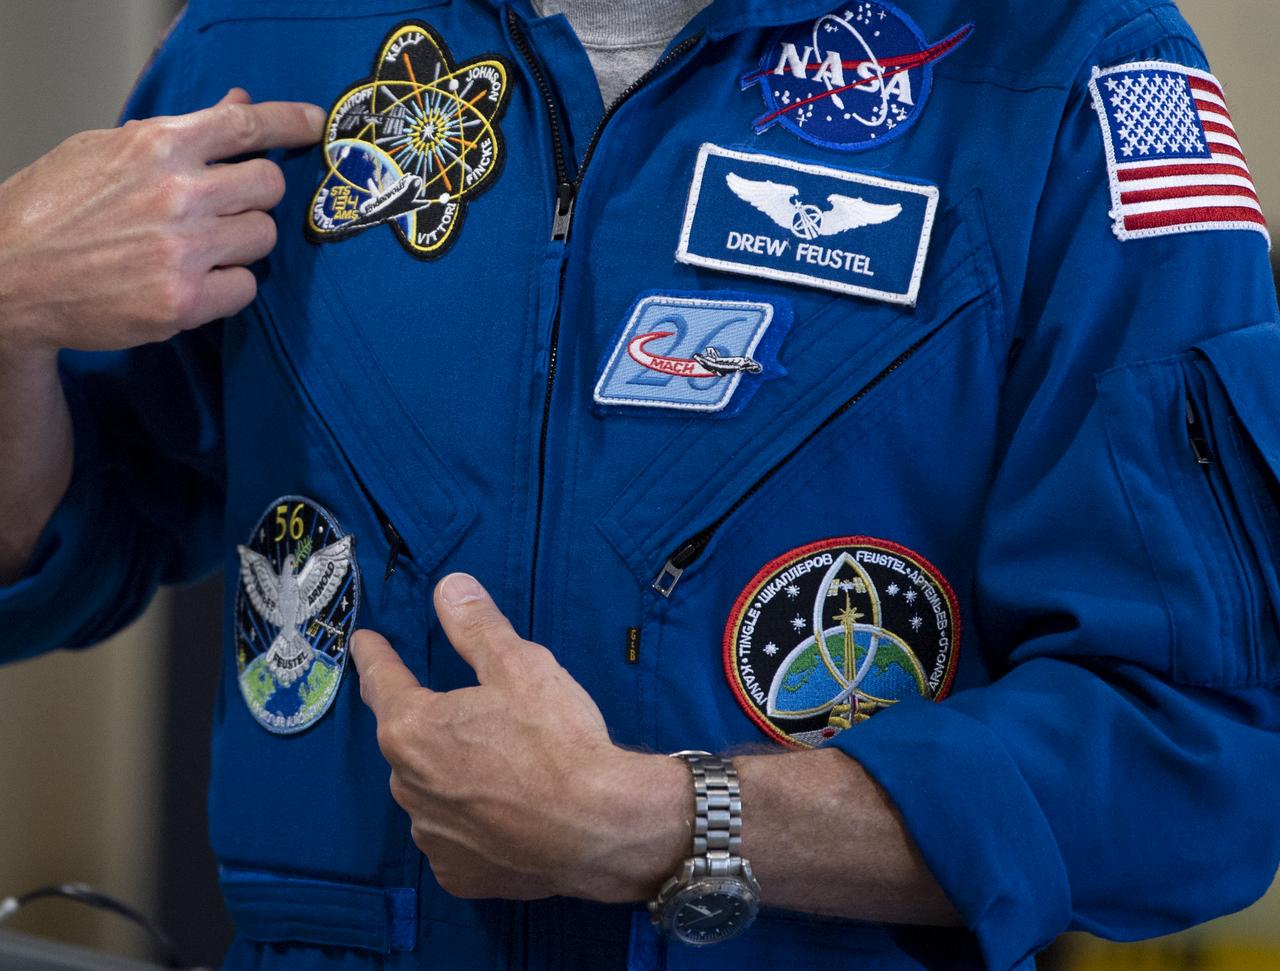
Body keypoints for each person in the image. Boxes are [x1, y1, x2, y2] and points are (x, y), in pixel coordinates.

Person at [2, 0, 1278, 967]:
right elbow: (70, 542)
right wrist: (6, 306)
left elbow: (1196, 751)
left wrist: (664, 822)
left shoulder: (1069, 69)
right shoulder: (266, 34)